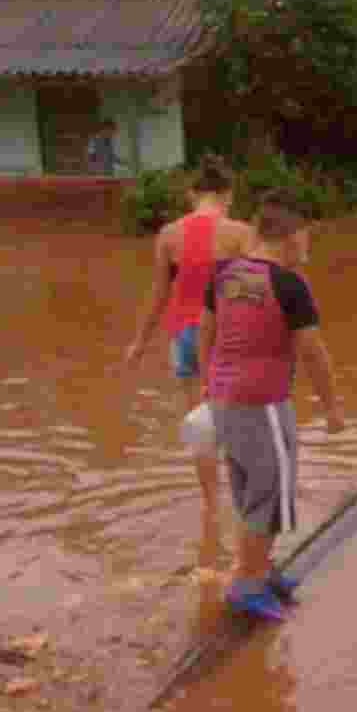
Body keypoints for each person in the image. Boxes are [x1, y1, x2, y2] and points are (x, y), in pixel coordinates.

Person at [199, 189, 344, 621]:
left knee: (248, 488)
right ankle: (247, 586)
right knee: (272, 493)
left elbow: (205, 330)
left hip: (223, 400)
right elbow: (314, 353)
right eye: (307, 238)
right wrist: (332, 408)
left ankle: (259, 570)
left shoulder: (223, 274)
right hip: (262, 403)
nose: (308, 248)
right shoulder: (289, 284)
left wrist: (210, 383)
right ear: (292, 236)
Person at [125, 154, 252, 539]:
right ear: (227, 195)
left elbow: (158, 293)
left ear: (191, 194)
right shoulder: (240, 234)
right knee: (239, 417)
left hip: (183, 330)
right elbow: (254, 291)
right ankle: (245, 504)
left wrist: (139, 342)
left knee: (200, 422)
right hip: (228, 333)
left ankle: (211, 508)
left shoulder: (168, 235)